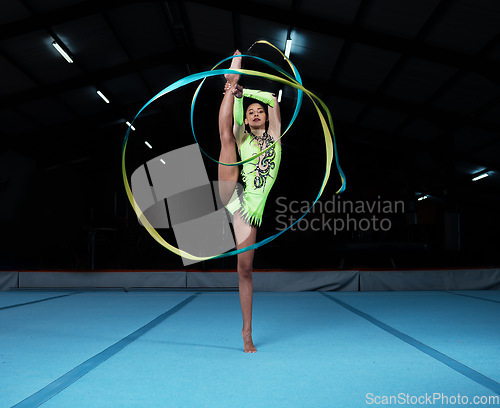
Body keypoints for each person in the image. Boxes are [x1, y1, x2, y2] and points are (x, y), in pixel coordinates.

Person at [218, 50, 281, 353]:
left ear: (267, 117)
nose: (256, 113)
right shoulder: (244, 135)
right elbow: (239, 119)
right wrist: (238, 94)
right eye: (251, 111)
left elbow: (273, 97)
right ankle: (231, 83)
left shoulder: (276, 137)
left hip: (251, 210)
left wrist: (249, 92)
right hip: (234, 192)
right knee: (227, 137)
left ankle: (246, 331)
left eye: (260, 111)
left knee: (245, 270)